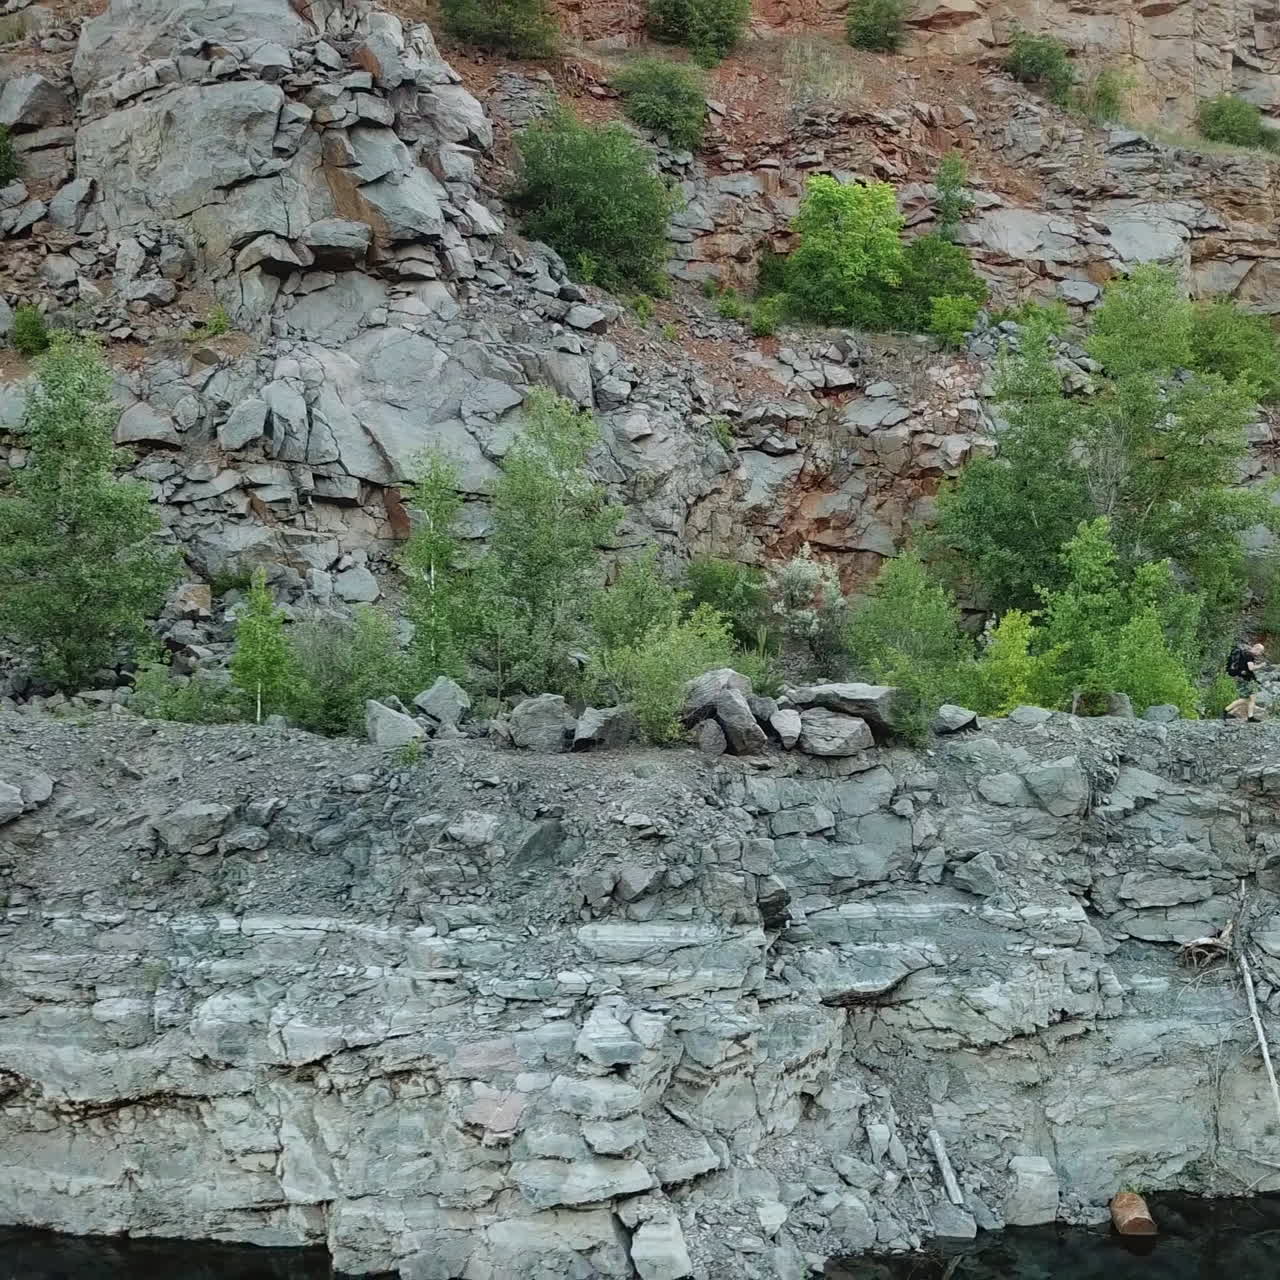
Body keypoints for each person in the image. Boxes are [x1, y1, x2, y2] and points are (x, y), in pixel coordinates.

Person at [1225, 640, 1266, 721]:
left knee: (1246, 699)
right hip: (1248, 680)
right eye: (1260, 652)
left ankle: (1227, 710)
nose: (1260, 654)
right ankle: (1250, 717)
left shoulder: (1243, 653)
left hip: (1241, 678)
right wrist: (1261, 666)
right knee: (1252, 698)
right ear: (1257, 649)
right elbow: (1251, 668)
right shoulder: (1249, 655)